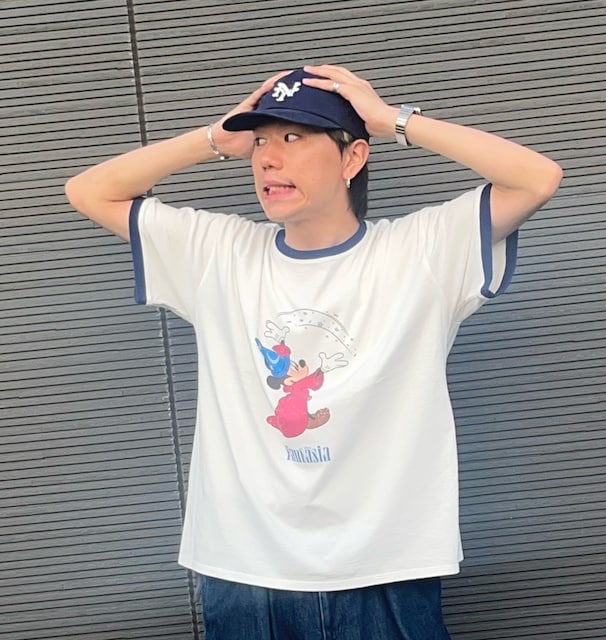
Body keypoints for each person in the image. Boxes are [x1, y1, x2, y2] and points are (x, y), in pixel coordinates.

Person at [65, 64, 562, 639]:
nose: (268, 159)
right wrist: (214, 139)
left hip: (386, 566)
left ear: (353, 158)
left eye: (294, 138)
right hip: (244, 567)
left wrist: (392, 121)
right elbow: (88, 191)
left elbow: (536, 178)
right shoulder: (217, 253)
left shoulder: (421, 251)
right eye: (260, 142)